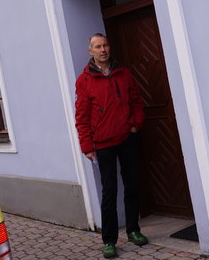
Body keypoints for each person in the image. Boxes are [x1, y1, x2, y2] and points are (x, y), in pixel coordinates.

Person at [74, 33, 148, 258]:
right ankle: (109, 240)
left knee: (132, 186)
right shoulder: (84, 80)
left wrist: (135, 124)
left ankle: (134, 230)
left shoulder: (123, 73)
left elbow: (136, 100)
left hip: (127, 138)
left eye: (105, 44)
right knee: (109, 192)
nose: (103, 49)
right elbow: (81, 116)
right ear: (91, 51)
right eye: (98, 46)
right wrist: (87, 146)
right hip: (103, 144)